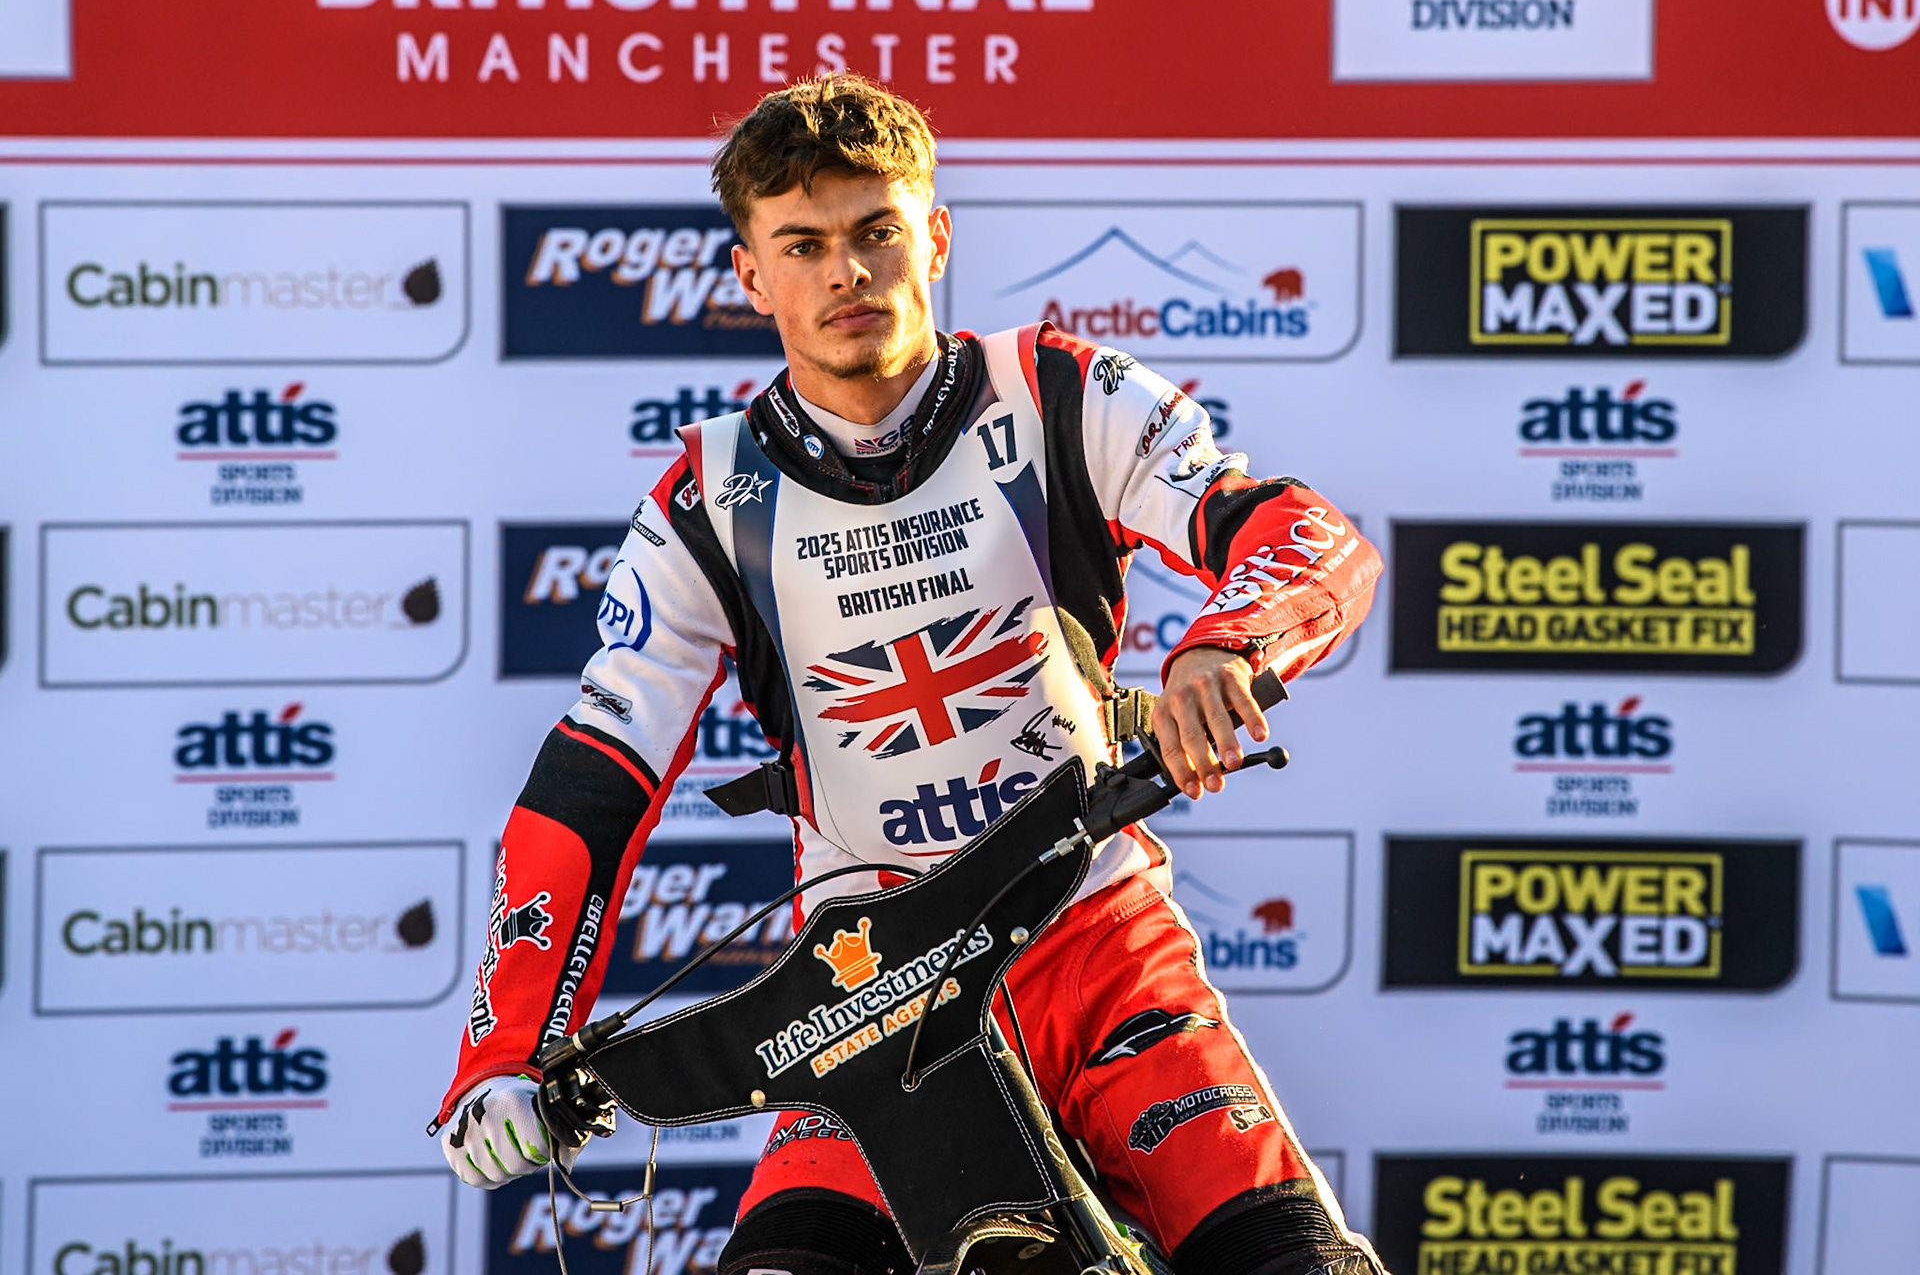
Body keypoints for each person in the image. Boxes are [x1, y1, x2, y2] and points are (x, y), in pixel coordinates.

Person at [435, 74, 1386, 1275]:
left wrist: (1225, 640)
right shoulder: (705, 504)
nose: (847, 273)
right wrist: (511, 1041)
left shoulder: (1057, 394)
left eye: (877, 230)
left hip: (1097, 947)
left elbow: (1302, 534)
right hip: (870, 996)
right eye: (806, 244)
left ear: (933, 235)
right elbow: (593, 774)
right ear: (752, 276)